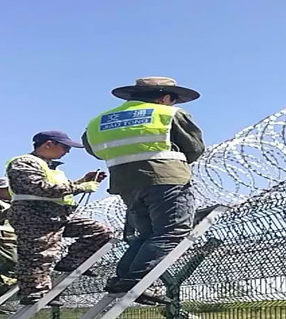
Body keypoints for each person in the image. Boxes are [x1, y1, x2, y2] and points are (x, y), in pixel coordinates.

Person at [83, 77, 206, 305]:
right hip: (166, 177)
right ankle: (135, 281)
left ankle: (122, 278)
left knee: (148, 234)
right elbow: (194, 148)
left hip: (125, 183)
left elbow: (94, 149)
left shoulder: (100, 121)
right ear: (165, 97)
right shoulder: (168, 113)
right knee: (172, 231)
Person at [5, 130, 113, 306]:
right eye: (65, 147)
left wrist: (82, 181)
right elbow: (38, 187)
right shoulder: (24, 162)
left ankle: (72, 262)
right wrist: (80, 187)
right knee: (37, 255)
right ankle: (35, 292)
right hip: (34, 215)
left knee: (100, 231)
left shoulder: (48, 166)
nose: (67, 152)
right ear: (49, 144)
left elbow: (57, 189)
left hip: (59, 214)